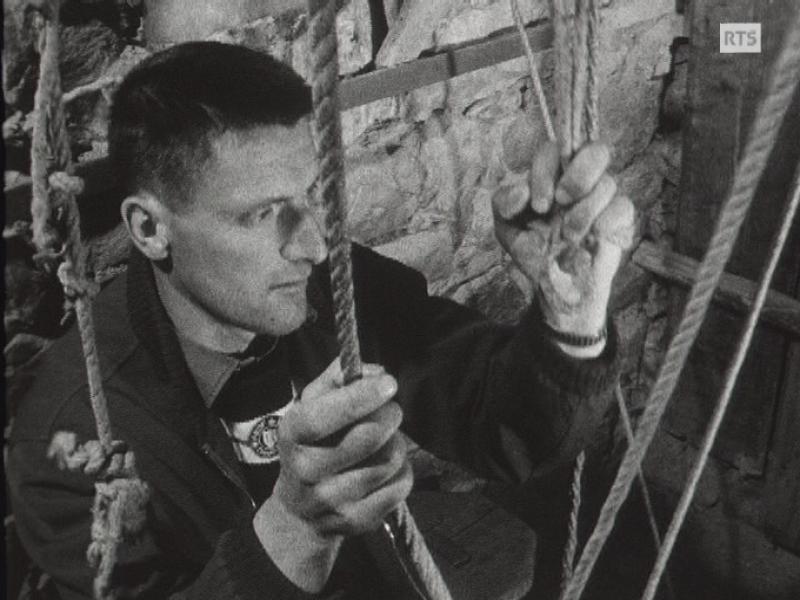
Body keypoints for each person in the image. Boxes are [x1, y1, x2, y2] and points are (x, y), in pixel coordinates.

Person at [7, 41, 634, 599]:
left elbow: (498, 428)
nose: (311, 244)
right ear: (149, 229)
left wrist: (570, 317)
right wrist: (295, 531)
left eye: (313, 196)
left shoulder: (331, 286)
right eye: (262, 214)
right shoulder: (73, 442)